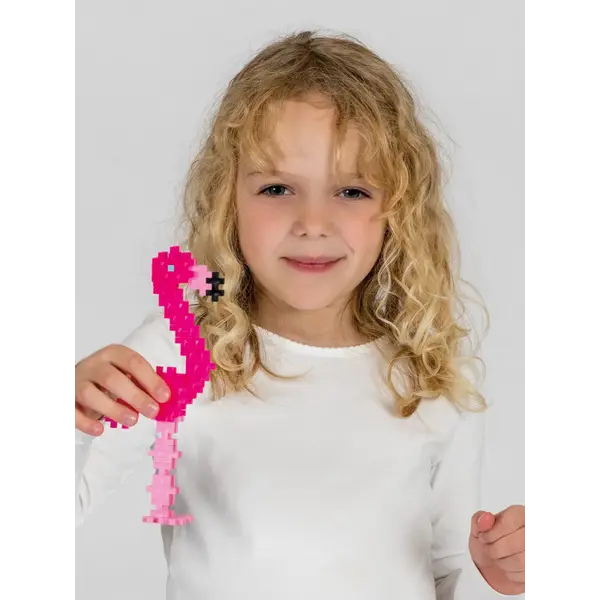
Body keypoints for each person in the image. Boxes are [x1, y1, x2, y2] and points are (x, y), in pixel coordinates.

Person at [72, 30, 527, 599]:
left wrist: (500, 572)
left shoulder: (432, 377)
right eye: (278, 188)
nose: (313, 223)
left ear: (400, 208)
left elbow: (447, 573)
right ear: (228, 199)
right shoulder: (183, 350)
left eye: (352, 192)